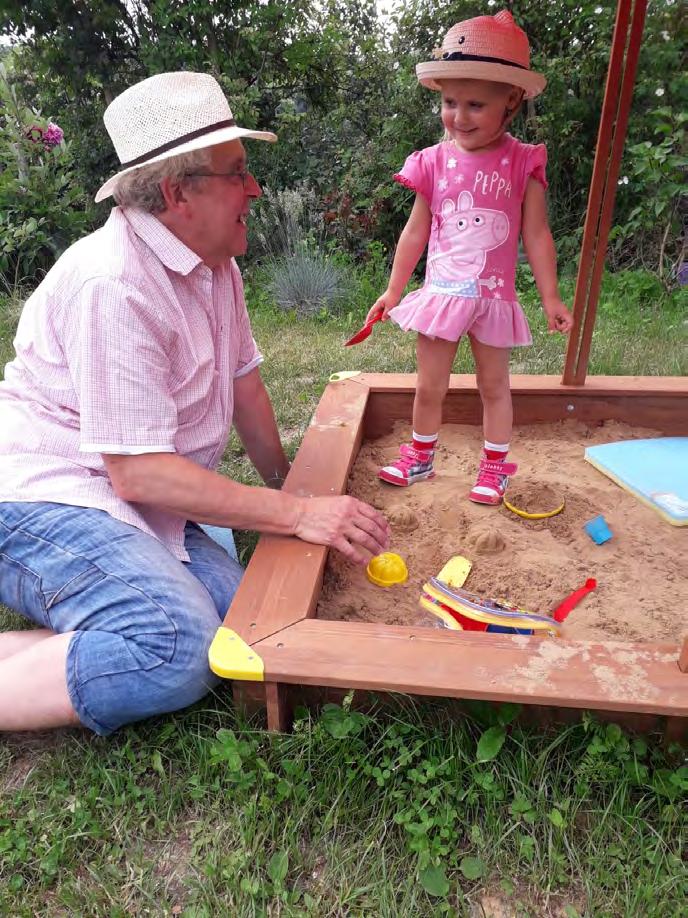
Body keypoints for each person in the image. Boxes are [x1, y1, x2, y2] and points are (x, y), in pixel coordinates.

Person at [0, 72, 390, 736]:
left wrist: (289, 492)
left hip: (132, 497)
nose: (255, 189)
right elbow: (139, 472)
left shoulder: (217, 266)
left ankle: (77, 627)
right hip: (44, 497)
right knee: (176, 647)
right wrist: (296, 513)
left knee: (250, 618)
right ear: (178, 193)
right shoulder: (112, 284)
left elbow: (247, 387)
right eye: (238, 172)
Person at [368, 10, 573, 503]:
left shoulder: (523, 161)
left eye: (475, 104)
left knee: (494, 386)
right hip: (442, 294)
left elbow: (537, 233)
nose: (459, 117)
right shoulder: (433, 162)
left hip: (494, 296)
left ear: (512, 100)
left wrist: (551, 296)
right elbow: (415, 232)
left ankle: (495, 467)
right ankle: (419, 459)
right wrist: (394, 289)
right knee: (429, 384)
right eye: (450, 102)